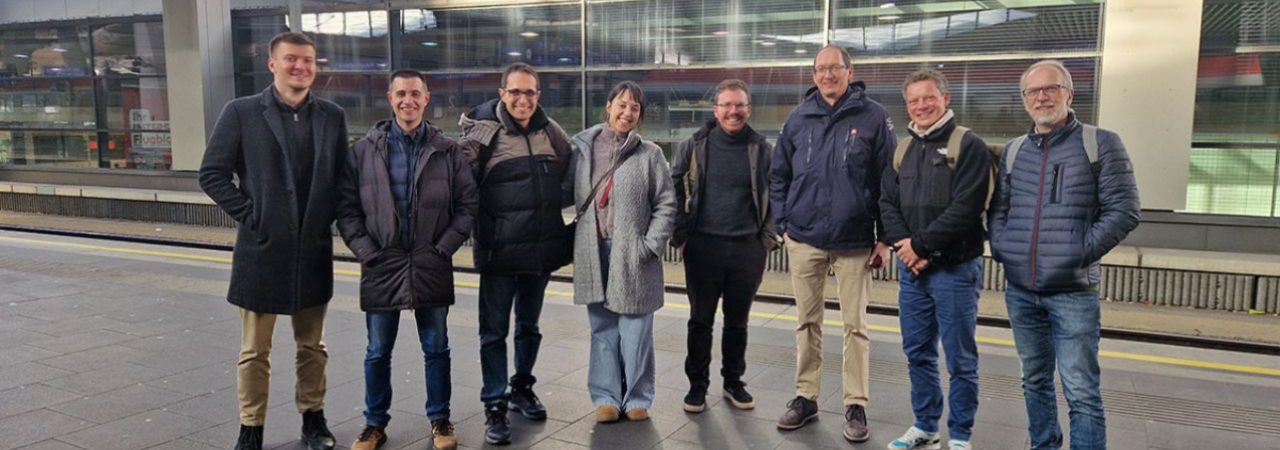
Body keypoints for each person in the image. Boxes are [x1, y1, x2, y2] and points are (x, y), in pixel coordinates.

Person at [198, 32, 346, 450]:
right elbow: (211, 174)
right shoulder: (242, 112)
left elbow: (342, 179)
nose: (301, 66)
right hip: (261, 251)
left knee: (312, 346)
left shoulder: (331, 116)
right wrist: (253, 216)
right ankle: (251, 428)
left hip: (312, 251)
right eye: (291, 59)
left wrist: (329, 220)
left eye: (308, 60)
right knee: (254, 351)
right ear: (272, 64)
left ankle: (313, 420)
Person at [988, 60, 1140, 450]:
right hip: (1022, 291)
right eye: (1033, 91)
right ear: (1025, 99)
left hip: (1073, 291)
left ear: (1069, 94)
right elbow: (999, 210)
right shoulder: (1015, 151)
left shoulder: (1100, 143)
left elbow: (1124, 210)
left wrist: (1078, 252)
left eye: (1050, 88)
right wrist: (1004, 249)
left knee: (1080, 390)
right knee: (1034, 380)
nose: (1041, 97)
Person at [336, 69, 477, 450]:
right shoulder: (363, 151)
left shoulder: (448, 151)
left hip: (431, 261)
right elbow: (347, 209)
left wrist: (443, 248)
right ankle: (374, 424)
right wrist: (367, 252)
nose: (408, 101)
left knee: (437, 347)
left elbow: (467, 205)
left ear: (426, 98)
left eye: (415, 93)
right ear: (390, 98)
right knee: (377, 351)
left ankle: (440, 419)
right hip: (382, 263)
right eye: (401, 94)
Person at [769, 44, 895, 442]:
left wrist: (885, 238)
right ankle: (806, 397)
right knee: (807, 322)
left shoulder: (874, 116)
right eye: (821, 69)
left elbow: (888, 180)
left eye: (835, 68)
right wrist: (783, 224)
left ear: (849, 72)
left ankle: (855, 403)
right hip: (804, 237)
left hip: (855, 240)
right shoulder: (797, 117)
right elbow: (778, 175)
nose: (828, 74)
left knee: (856, 326)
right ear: (813, 75)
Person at [456, 62, 572, 445]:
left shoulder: (551, 132)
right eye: (516, 91)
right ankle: (494, 402)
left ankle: (522, 387)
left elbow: (567, 177)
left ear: (538, 95)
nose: (523, 99)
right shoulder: (482, 134)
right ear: (502, 93)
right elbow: (461, 188)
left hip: (540, 252)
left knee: (529, 327)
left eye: (530, 92)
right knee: (493, 332)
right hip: (499, 254)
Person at [880, 69, 990, 450]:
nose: (921, 106)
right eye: (913, 100)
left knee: (960, 359)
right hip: (912, 272)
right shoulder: (903, 150)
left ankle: (960, 436)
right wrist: (905, 247)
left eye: (928, 97)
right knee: (917, 352)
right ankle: (926, 426)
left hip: (955, 270)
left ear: (945, 98)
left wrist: (920, 248)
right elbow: (887, 203)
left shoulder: (968, 145)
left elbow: (966, 209)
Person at [567, 80, 676, 423]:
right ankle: (606, 397)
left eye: (635, 108)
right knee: (602, 329)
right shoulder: (583, 149)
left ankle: (637, 397)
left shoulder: (650, 154)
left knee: (636, 330)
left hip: (633, 253)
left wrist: (650, 246)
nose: (627, 113)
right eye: (622, 105)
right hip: (594, 250)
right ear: (609, 106)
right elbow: (565, 190)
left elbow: (666, 203)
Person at [669, 79, 777, 414]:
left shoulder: (762, 149)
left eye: (740, 105)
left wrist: (765, 240)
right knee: (700, 321)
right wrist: (681, 237)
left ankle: (733, 381)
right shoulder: (693, 146)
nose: (734, 111)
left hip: (748, 249)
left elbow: (777, 194)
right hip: (703, 248)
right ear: (715, 110)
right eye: (727, 105)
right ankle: (697, 386)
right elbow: (673, 190)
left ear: (749, 109)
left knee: (737, 323)